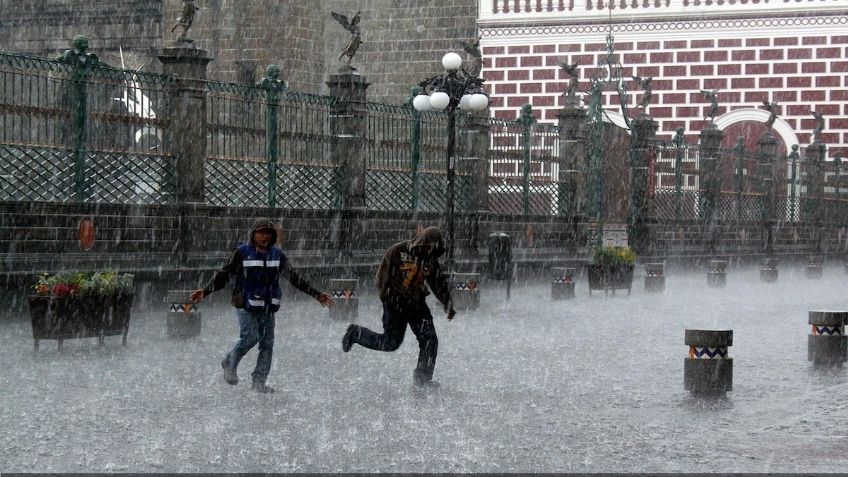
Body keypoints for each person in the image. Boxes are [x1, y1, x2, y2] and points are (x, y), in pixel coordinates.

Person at [190, 218, 333, 393]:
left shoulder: (277, 255)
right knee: (250, 337)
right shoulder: (242, 252)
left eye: (268, 233)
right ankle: (230, 362)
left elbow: (294, 277)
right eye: (260, 232)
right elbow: (224, 275)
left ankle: (259, 382)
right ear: (253, 234)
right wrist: (205, 291)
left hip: (268, 306)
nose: (264, 236)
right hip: (244, 303)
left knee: (267, 344)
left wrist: (316, 294)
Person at [341, 226, 456, 387]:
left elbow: (438, 283)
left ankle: (422, 381)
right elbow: (382, 278)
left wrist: (448, 304)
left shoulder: (430, 259)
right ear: (423, 242)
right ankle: (356, 333)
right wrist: (389, 301)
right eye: (429, 246)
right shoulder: (397, 251)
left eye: (434, 247)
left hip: (417, 305)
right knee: (390, 343)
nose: (431, 250)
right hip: (395, 305)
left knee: (430, 341)